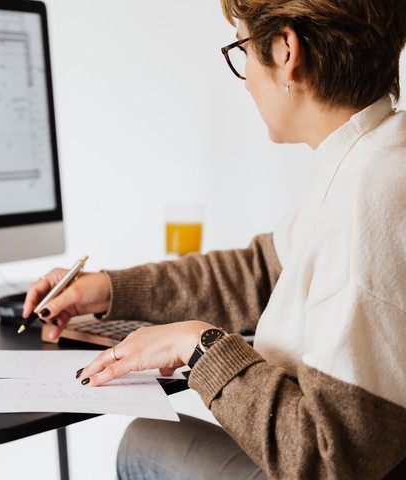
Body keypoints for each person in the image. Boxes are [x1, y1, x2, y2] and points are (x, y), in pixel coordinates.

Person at [23, 0, 406, 478]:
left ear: (287, 51)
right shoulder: (377, 157)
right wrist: (110, 288)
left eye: (242, 49)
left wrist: (198, 347)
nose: (245, 76)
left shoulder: (367, 203)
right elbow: (261, 271)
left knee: (142, 441)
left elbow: (333, 460)